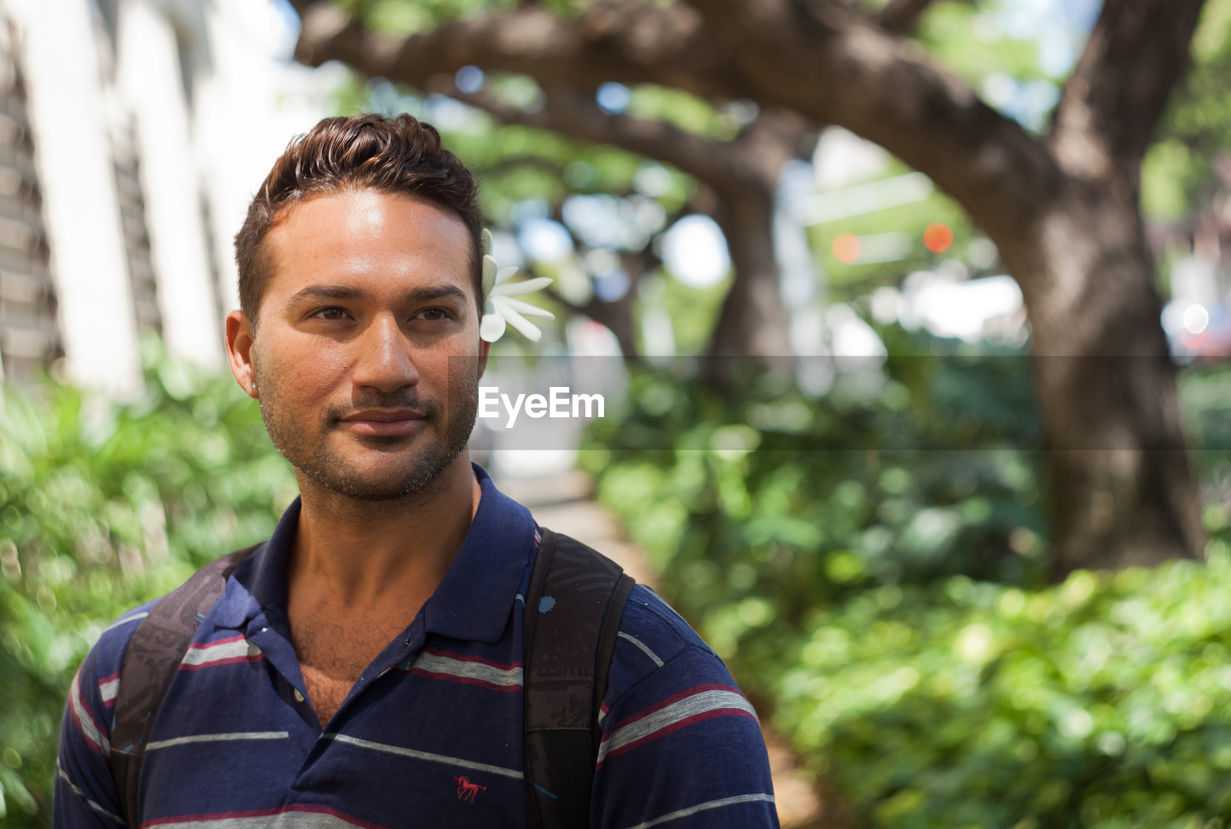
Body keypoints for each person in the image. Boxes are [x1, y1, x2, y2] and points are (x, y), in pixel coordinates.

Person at [54, 114, 780, 828]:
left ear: (481, 347)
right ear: (245, 353)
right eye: (334, 312)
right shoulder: (129, 684)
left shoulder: (643, 691)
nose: (386, 368)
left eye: (431, 315)